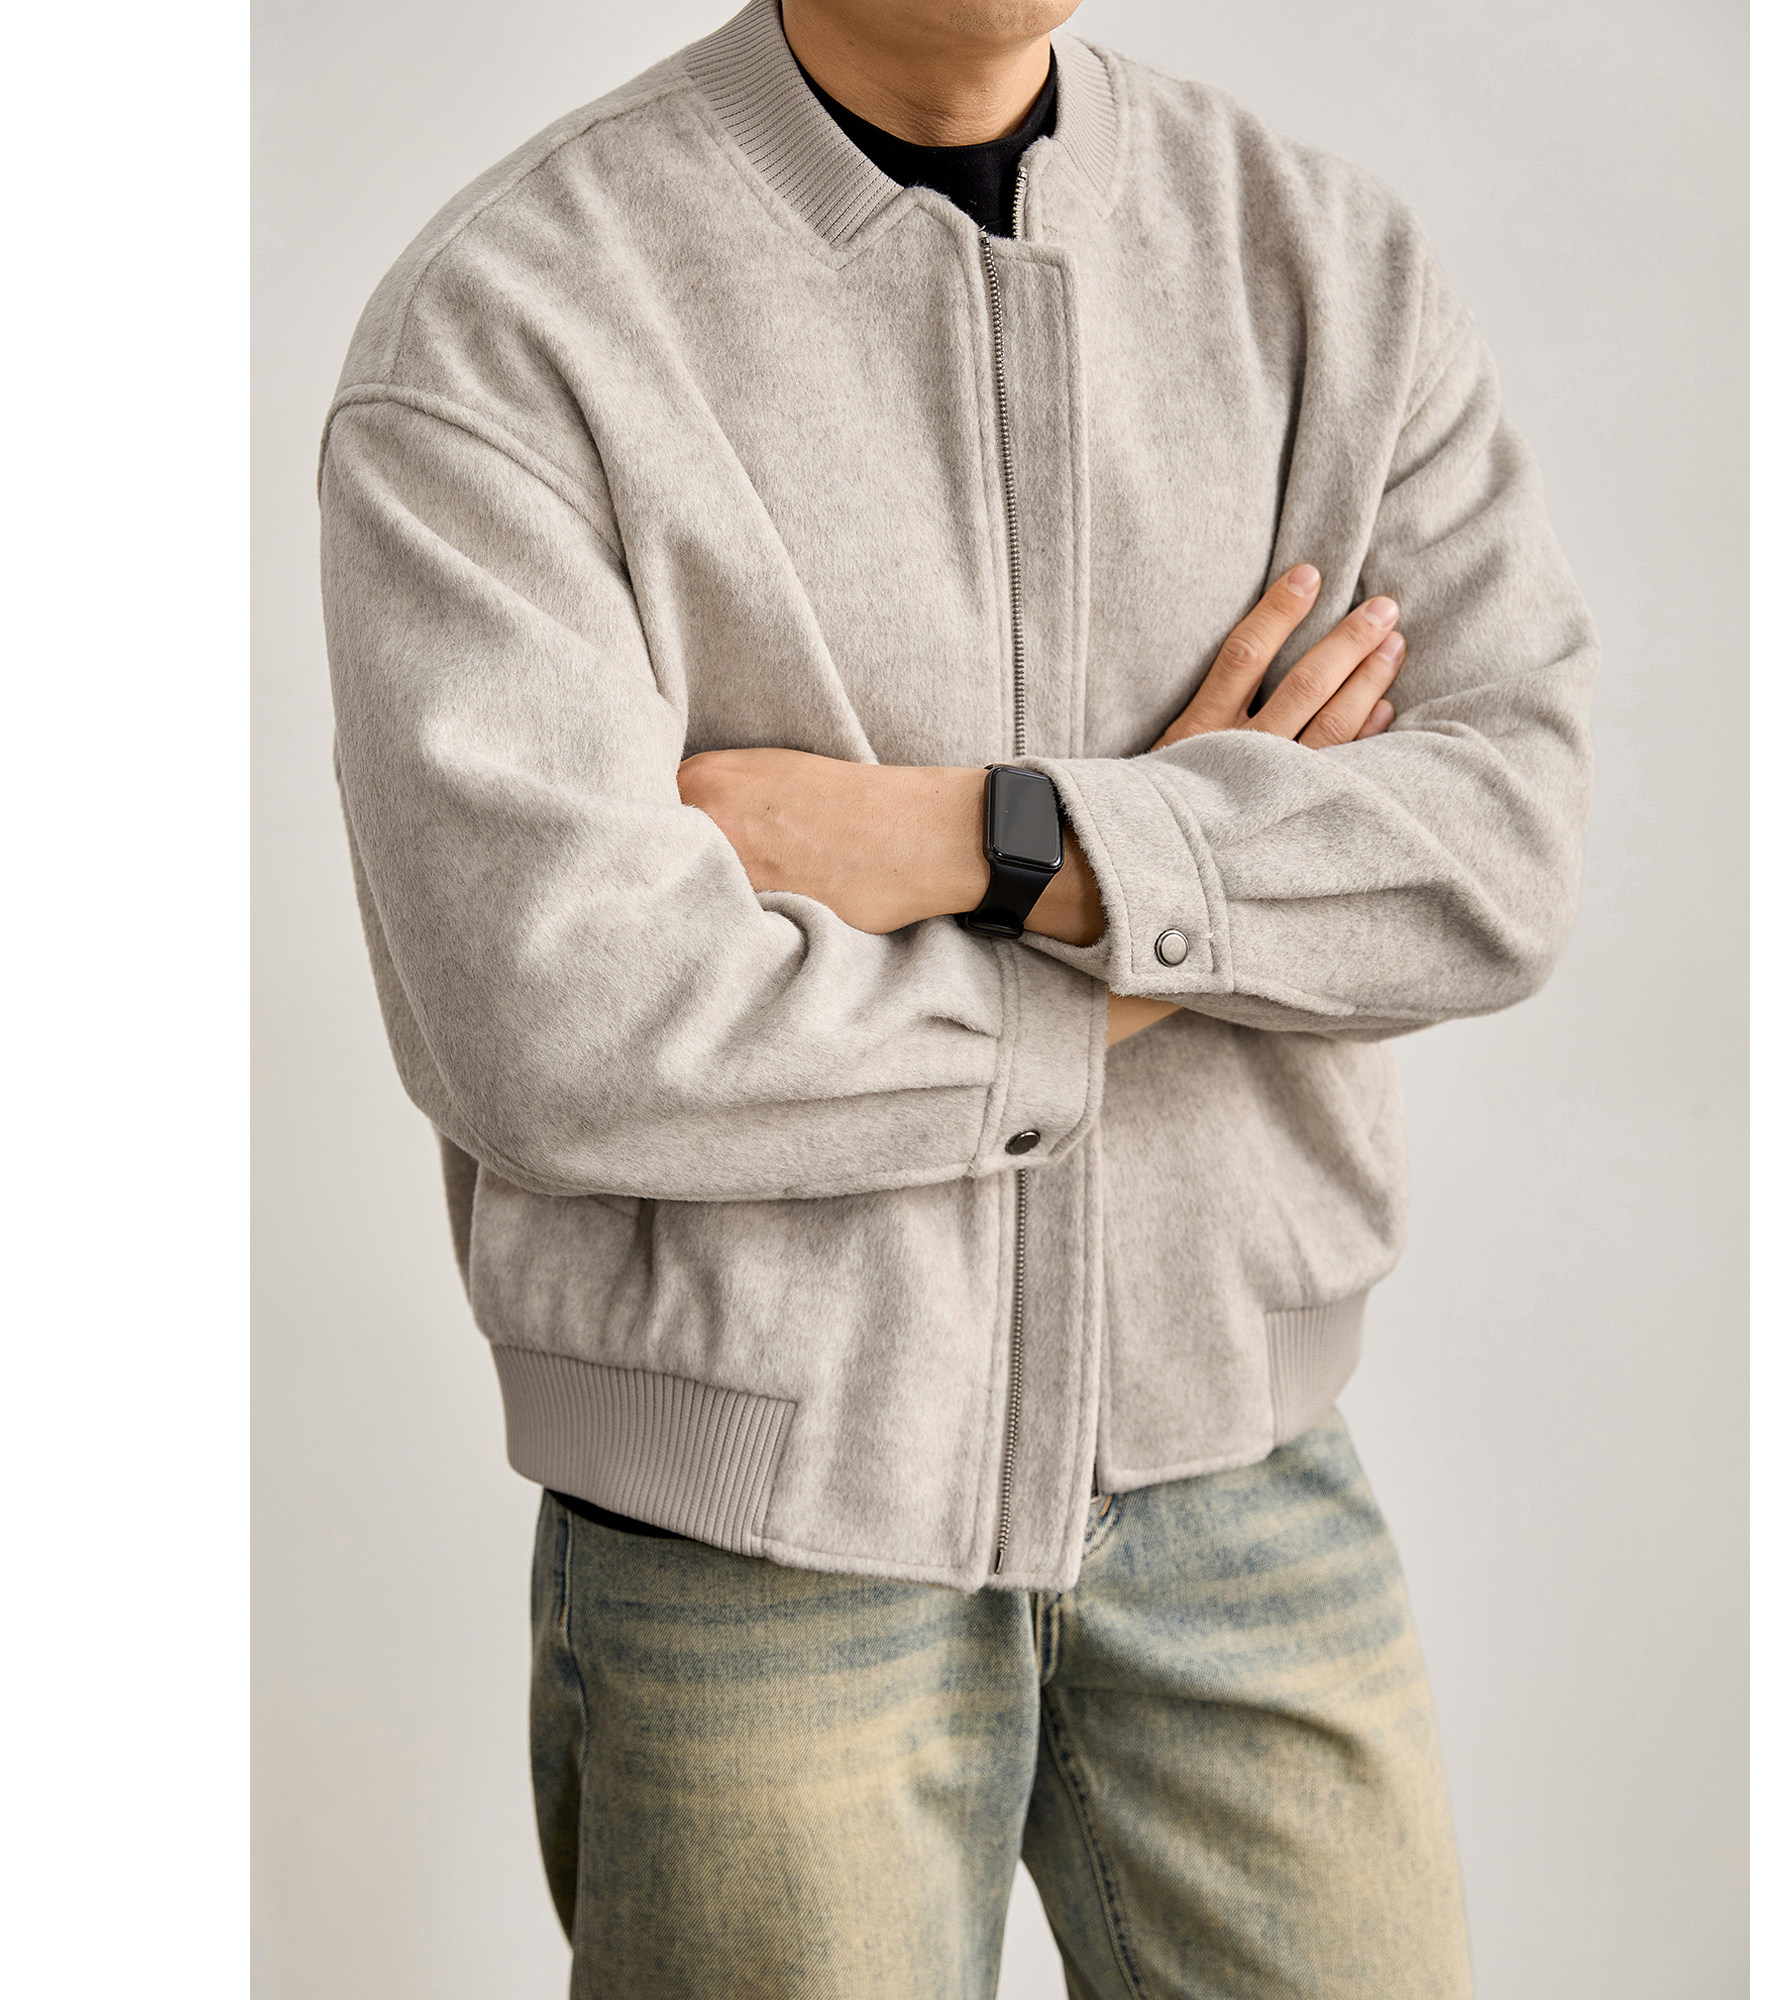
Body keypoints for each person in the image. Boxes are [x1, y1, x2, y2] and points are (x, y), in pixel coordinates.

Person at [319, 0, 1596, 1990]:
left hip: (1244, 1474)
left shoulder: (1322, 262)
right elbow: (566, 1024)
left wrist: (982, 840)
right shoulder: (511, 318)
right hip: (760, 1530)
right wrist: (1195, 895)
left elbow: (1495, 857)